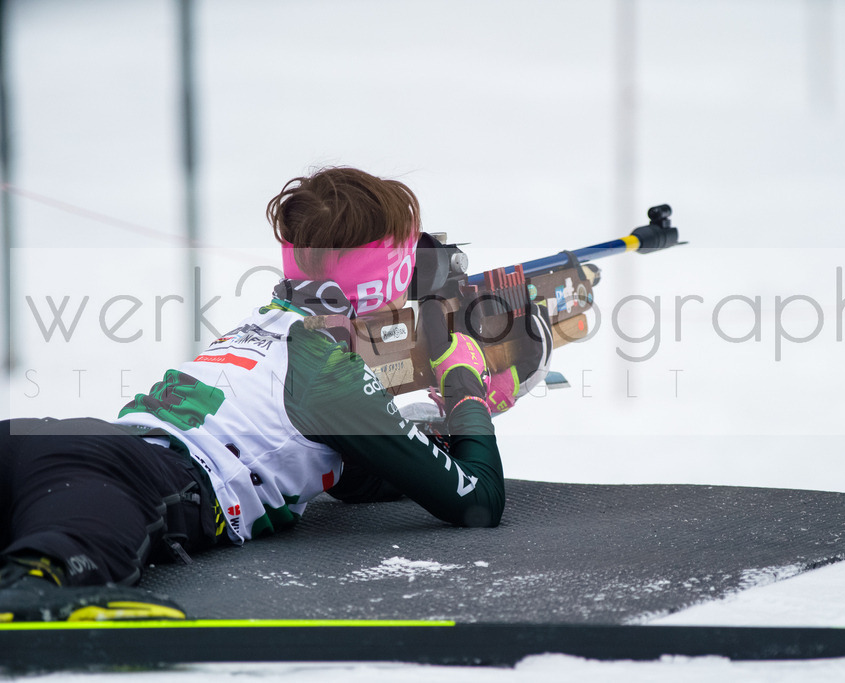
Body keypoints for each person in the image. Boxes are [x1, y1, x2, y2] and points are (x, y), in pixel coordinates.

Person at [0, 166, 525, 622]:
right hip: (136, 475)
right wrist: (465, 387)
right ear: (387, 282)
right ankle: (33, 582)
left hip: (56, 444)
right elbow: (476, 502)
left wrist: (447, 425)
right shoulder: (328, 376)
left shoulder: (270, 321)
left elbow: (359, 470)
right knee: (53, 566)